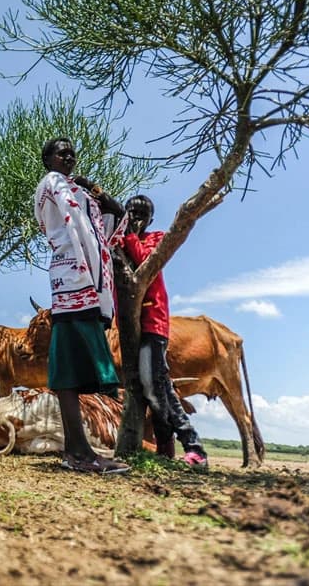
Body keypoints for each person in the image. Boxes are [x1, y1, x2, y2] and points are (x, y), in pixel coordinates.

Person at [33, 137, 130, 475]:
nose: (69, 157)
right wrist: (82, 191)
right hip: (72, 281)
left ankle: (79, 451)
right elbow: (77, 222)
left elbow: (115, 217)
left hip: (89, 287)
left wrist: (94, 190)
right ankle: (78, 452)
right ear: (47, 159)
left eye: (72, 153)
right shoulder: (52, 184)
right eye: (62, 152)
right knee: (66, 368)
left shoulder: (79, 193)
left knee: (71, 368)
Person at [119, 194, 209, 469]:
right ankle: (167, 448)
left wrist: (130, 235)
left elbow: (145, 262)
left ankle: (193, 446)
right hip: (129, 326)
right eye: (131, 213)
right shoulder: (118, 243)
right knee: (152, 386)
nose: (136, 219)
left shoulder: (155, 239)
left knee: (154, 385)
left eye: (142, 215)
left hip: (153, 322)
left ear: (150, 220)